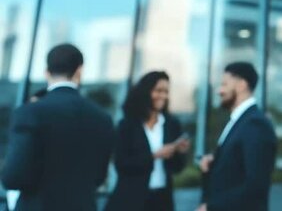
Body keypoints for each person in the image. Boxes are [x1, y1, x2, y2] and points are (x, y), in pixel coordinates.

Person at [1, 43, 115, 211]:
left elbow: (13, 178)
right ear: (79, 70)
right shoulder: (102, 118)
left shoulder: (30, 112)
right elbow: (99, 177)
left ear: (46, 72)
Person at [104, 71, 190, 211]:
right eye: (158, 90)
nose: (163, 96)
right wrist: (154, 155)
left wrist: (180, 152)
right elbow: (121, 164)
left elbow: (177, 168)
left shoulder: (171, 124)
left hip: (162, 200)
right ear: (146, 92)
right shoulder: (127, 125)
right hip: (131, 200)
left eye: (166, 91)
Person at [197, 62, 277, 211]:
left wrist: (210, 207)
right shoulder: (240, 121)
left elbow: (255, 186)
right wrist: (212, 165)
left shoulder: (255, 124)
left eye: (224, 84)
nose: (219, 90)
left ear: (241, 85)